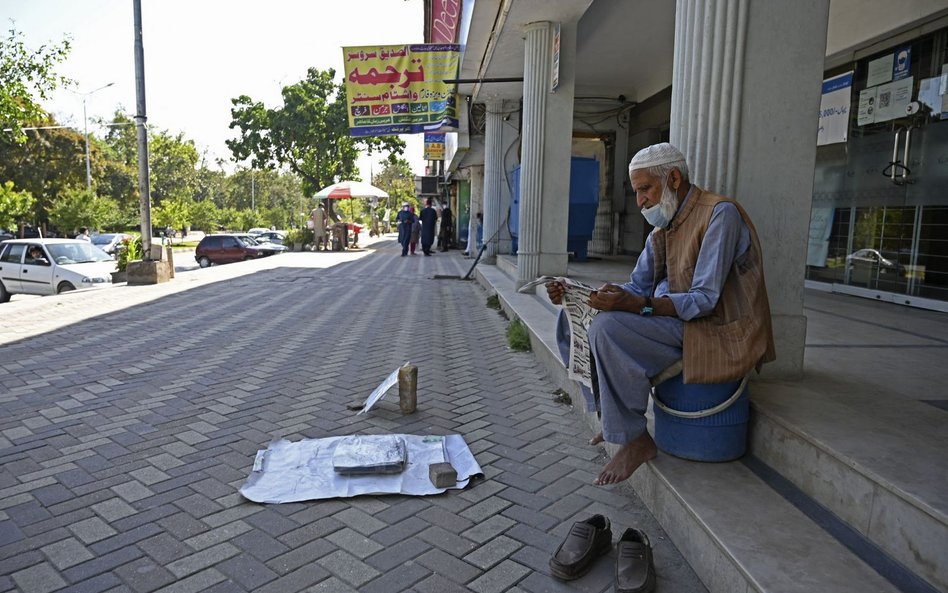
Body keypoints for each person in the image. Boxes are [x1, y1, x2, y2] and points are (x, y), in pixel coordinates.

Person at [547, 142, 775, 486]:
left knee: (607, 329)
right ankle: (612, 420)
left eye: (645, 189)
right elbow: (637, 287)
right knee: (570, 321)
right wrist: (582, 296)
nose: (640, 201)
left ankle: (635, 439)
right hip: (671, 321)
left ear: (673, 178)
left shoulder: (719, 214)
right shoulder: (663, 228)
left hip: (712, 329)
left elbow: (704, 300)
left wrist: (637, 306)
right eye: (636, 191)